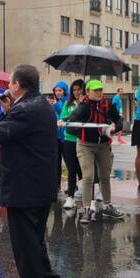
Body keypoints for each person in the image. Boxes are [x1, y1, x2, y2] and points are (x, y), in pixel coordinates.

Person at [0, 64, 60, 278]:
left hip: (24, 186)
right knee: (36, 238)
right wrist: (7, 110)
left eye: (10, 82)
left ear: (18, 85)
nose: (8, 86)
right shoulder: (41, 104)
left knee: (25, 243)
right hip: (41, 183)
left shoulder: (24, 110)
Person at [67, 80, 123, 223]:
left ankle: (107, 206)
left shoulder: (108, 105)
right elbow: (70, 125)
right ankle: (86, 209)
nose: (99, 93)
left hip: (103, 145)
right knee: (88, 177)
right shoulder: (83, 107)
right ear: (87, 92)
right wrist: (78, 126)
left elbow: (119, 121)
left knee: (105, 176)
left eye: (100, 90)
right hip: (85, 145)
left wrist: (112, 129)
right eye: (95, 90)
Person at [59, 79, 84, 209]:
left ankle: (88, 195)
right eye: (74, 90)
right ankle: (70, 197)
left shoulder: (87, 104)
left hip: (83, 140)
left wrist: (82, 105)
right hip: (69, 139)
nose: (76, 92)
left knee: (83, 169)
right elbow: (63, 118)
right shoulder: (68, 104)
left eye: (79, 89)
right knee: (71, 168)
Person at [49, 81, 69, 192]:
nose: (57, 93)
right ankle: (56, 185)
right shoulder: (56, 102)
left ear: (65, 91)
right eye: (56, 91)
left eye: (60, 90)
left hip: (66, 137)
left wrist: (55, 105)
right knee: (56, 162)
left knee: (69, 161)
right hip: (56, 136)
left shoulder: (68, 102)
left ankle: (73, 185)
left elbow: (63, 114)